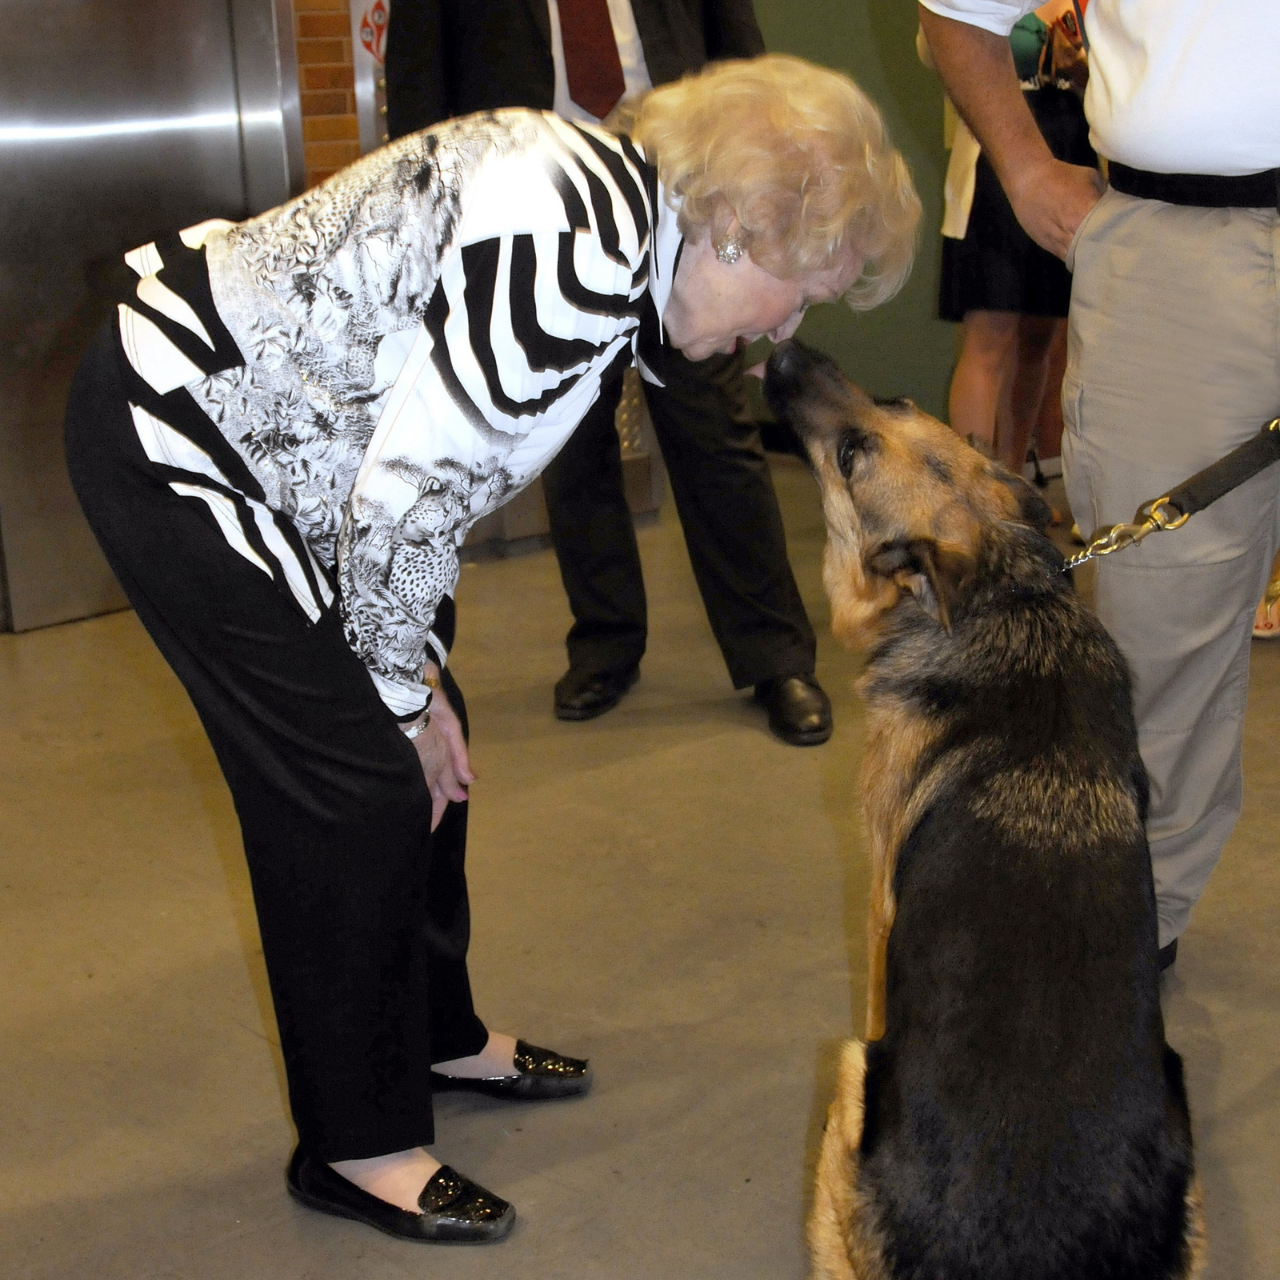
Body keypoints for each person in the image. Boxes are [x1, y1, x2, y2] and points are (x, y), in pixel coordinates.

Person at [65, 54, 919, 1243]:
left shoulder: (615, 218)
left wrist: (421, 686)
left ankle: (436, 1034)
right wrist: (401, 704)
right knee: (356, 783)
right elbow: (410, 499)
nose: (784, 327)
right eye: (796, 289)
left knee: (428, 738)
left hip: (311, 451)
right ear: (729, 230)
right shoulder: (572, 266)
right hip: (185, 430)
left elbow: (430, 471)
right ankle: (356, 1144)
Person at [918, 0, 1280, 967]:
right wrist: (1025, 165)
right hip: (1182, 248)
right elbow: (956, 12)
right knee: (1161, 632)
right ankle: (1130, 929)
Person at [385, 0, 837, 746]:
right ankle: (605, 641)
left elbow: (740, 54)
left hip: (681, 193)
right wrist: (438, 227)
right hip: (531, 202)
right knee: (569, 438)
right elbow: (419, 80)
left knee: (713, 432)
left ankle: (775, 655)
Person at [922, 2, 1092, 476]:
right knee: (989, 335)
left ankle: (1015, 483)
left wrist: (1083, 69)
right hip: (997, 168)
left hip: (1071, 155)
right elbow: (935, 44)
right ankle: (975, 492)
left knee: (1040, 334)